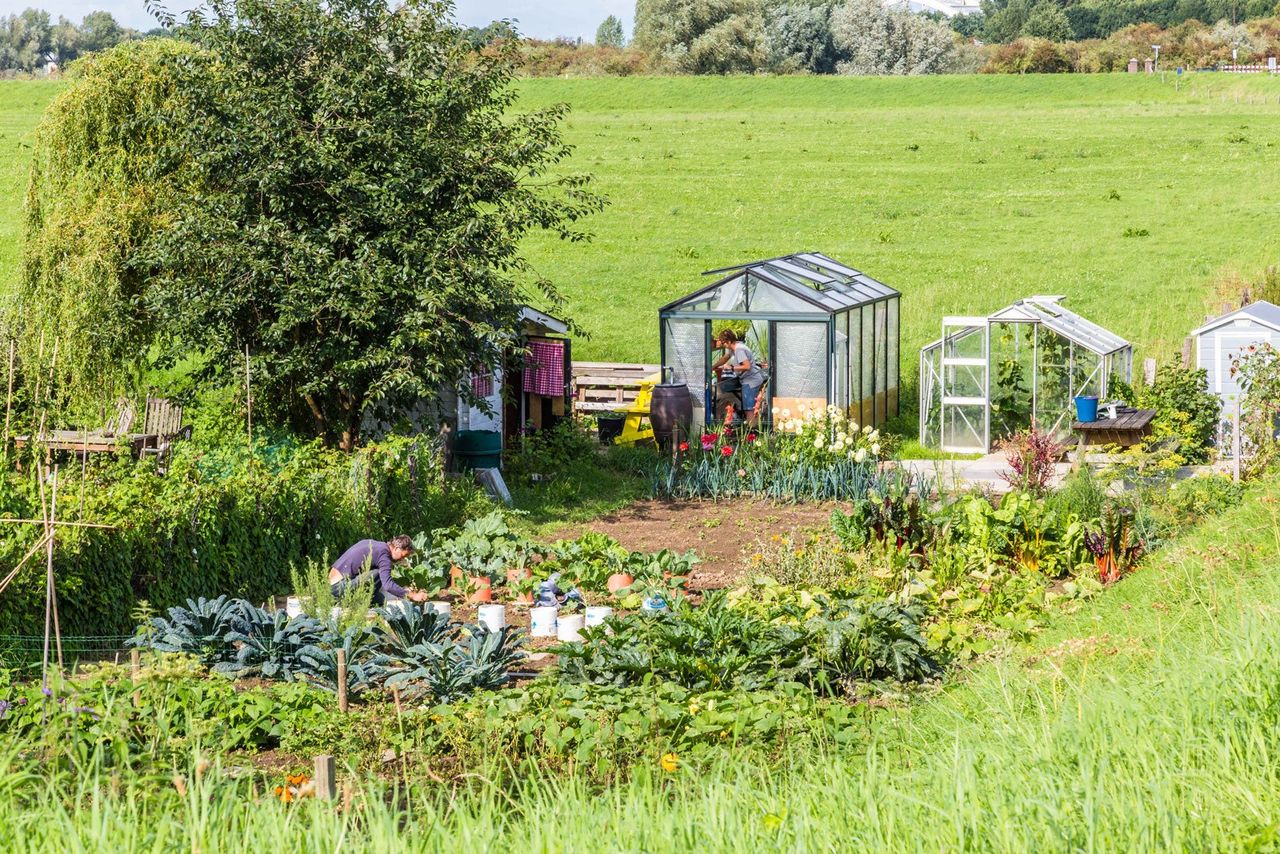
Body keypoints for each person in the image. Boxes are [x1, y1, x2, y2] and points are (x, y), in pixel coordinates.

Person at [328, 535, 427, 605]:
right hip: (338, 589)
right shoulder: (384, 555)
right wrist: (412, 595)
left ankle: (372, 601)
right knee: (378, 574)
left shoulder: (377, 545)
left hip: (332, 586)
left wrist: (401, 592)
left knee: (380, 589)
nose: (402, 559)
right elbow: (387, 585)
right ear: (396, 548)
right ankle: (356, 603)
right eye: (403, 556)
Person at [714, 329, 765, 427]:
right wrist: (713, 366)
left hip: (751, 381)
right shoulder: (735, 346)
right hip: (752, 379)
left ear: (728, 341)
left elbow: (747, 366)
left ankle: (752, 434)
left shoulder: (739, 350)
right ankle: (755, 429)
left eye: (723, 343)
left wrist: (732, 367)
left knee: (749, 409)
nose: (723, 345)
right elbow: (726, 357)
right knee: (752, 407)